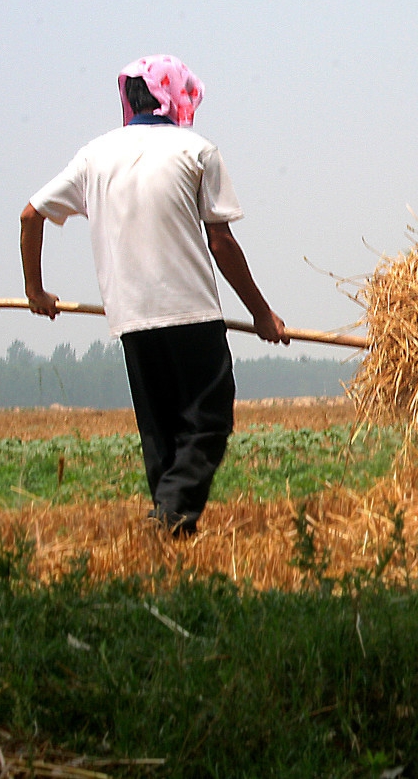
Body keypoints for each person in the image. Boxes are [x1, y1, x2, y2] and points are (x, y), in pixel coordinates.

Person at [20, 54, 290, 537]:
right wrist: (262, 314)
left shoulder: (94, 156)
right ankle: (170, 517)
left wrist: (34, 290)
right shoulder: (198, 152)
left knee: (160, 432)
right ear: (178, 97)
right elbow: (221, 243)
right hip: (190, 312)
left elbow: (30, 215)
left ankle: (171, 534)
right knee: (208, 421)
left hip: (130, 319)